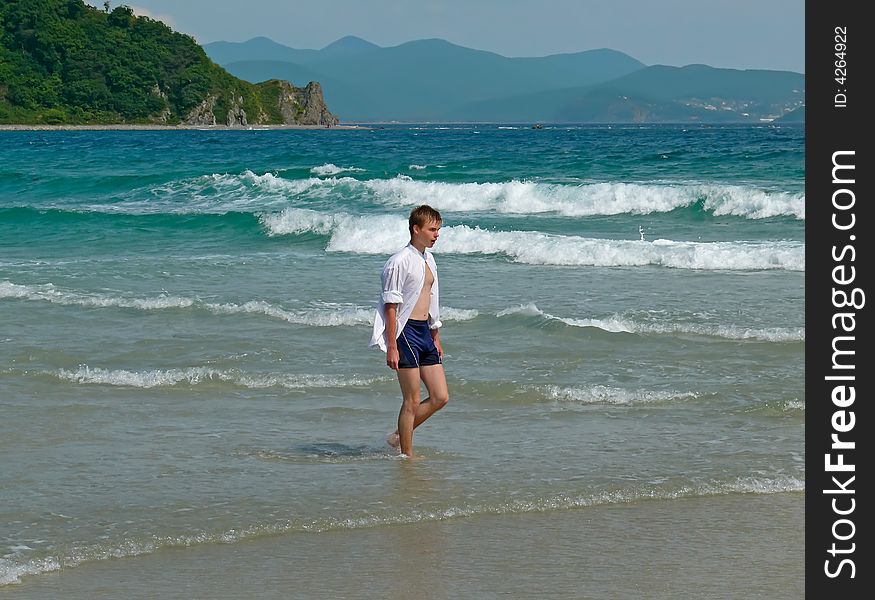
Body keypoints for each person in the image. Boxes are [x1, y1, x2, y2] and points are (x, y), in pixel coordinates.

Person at [369, 205, 449, 458]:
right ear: (416, 229)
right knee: (412, 400)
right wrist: (391, 345)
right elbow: (390, 306)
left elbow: (431, 299)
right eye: (432, 229)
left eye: (438, 230)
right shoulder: (398, 262)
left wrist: (435, 336)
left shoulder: (429, 259)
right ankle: (407, 456)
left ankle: (397, 436)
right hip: (405, 334)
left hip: (425, 332)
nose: (436, 234)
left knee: (440, 396)